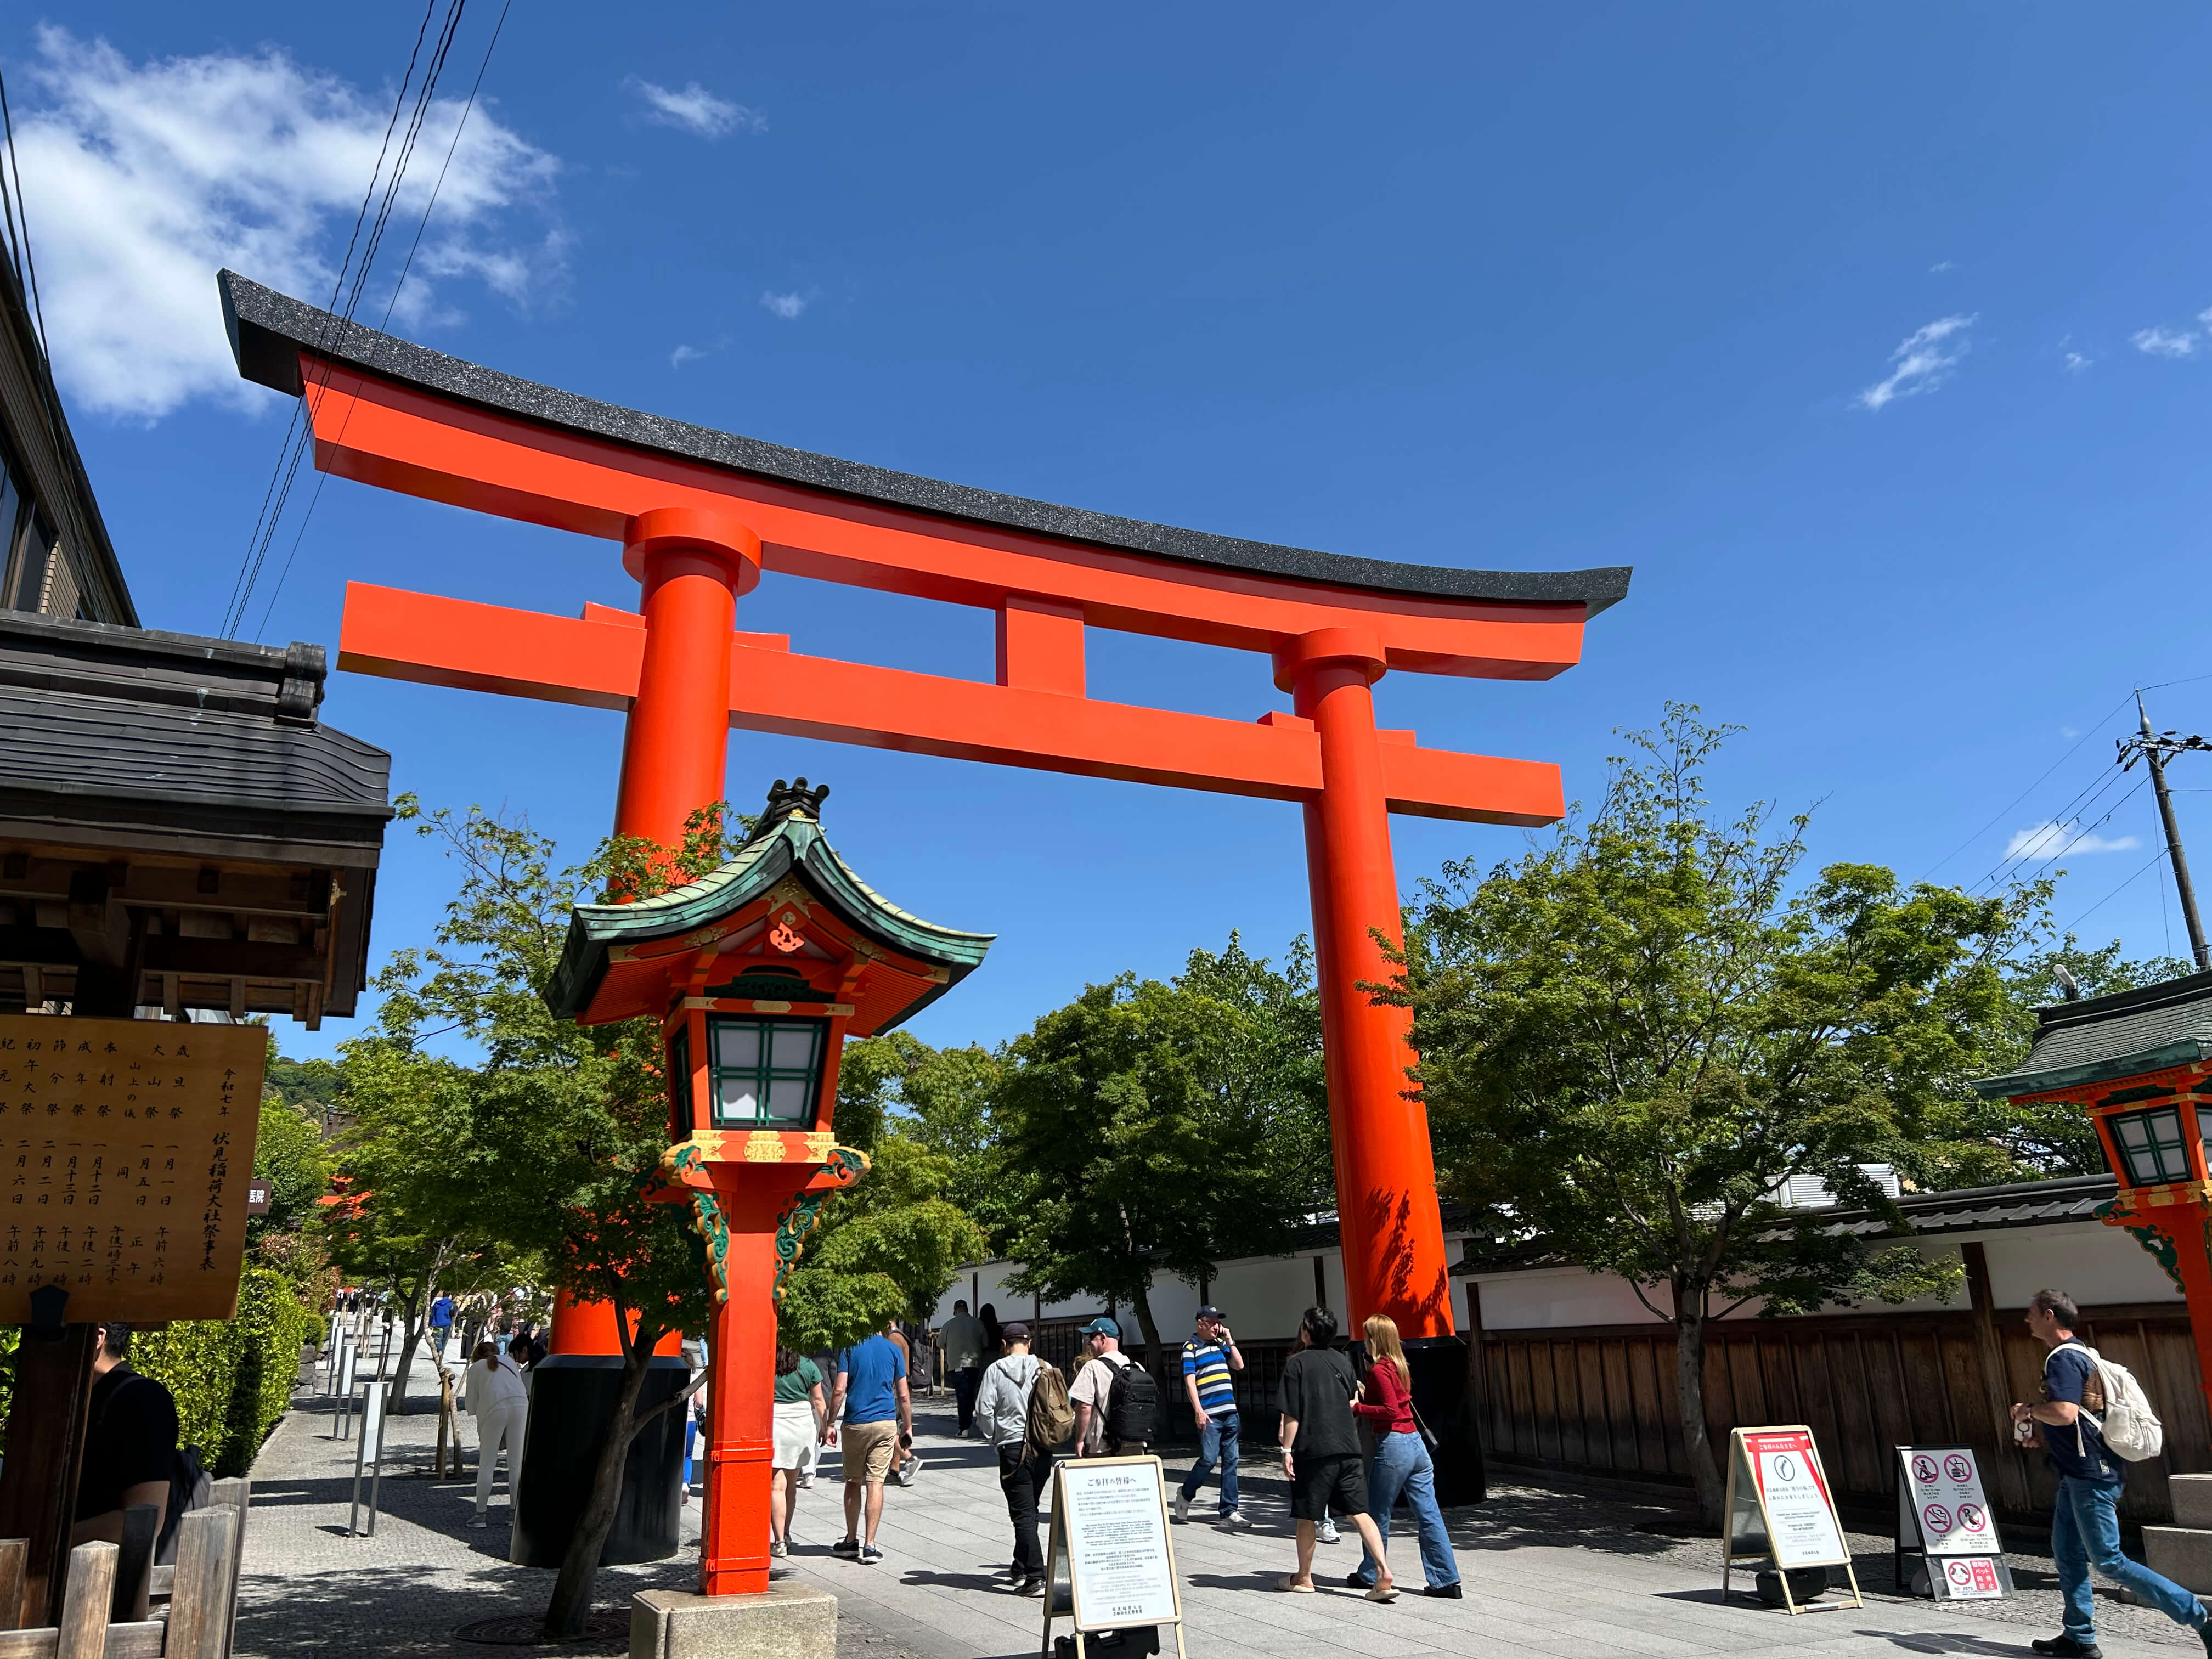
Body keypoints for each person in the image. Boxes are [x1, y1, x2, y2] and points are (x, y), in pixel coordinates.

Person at [2013, 1289, 2209, 1657]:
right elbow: (2081, 1418)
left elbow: (2066, 1412)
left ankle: (2200, 1617)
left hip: (2091, 1476)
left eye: (2032, 1314)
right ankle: (2079, 1637)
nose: (2028, 1320)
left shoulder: (2063, 1359)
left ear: (2050, 1316)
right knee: (2068, 1552)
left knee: (2109, 1560)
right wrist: (2045, 1434)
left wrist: (2028, 1411)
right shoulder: (2080, 1354)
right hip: (2078, 1472)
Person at [1277, 1306, 1394, 1599]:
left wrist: (1286, 1450)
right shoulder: (1344, 1362)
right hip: (1348, 1446)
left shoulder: (1296, 1364)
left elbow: (1292, 1414)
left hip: (1314, 1450)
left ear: (1305, 1331)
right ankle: (1383, 1573)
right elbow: (1353, 1402)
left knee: (1307, 1516)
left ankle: (1304, 1577)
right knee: (1360, 1513)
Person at [1346, 1314, 1461, 1598]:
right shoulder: (1400, 1367)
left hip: (1394, 1444)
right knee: (1429, 1514)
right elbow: (1397, 1404)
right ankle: (1446, 1580)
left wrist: (1359, 1408)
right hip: (1417, 1447)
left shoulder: (1379, 1371)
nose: (1364, 1341)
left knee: (1376, 1512)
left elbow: (1389, 1412)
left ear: (1374, 1339)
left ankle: (1371, 1573)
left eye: (1366, 1336)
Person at [71, 1323, 179, 1554]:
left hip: (104, 1574)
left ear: (97, 1338)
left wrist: (47, 1541)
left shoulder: (143, 1399)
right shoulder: (73, 1397)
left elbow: (144, 1517)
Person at [977, 1321, 1052, 1595]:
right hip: (1043, 1447)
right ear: (1029, 1343)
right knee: (1029, 1508)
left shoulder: (995, 1371)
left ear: (1005, 1345)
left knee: (1022, 1514)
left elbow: (984, 1410)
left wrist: (994, 1437)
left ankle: (1036, 1576)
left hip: (1012, 1447)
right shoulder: (1045, 1368)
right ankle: (1020, 1566)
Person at [827, 1319, 911, 1564]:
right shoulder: (894, 1349)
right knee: (876, 1482)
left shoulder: (849, 1348)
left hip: (856, 1421)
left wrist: (830, 1423)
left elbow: (839, 1390)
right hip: (885, 1422)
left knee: (853, 1481)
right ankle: (870, 1545)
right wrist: (908, 1426)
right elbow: (904, 1394)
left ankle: (851, 1541)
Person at [1175, 1304, 1248, 1528]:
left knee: (1232, 1460)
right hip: (1209, 1414)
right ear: (1201, 1324)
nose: (1217, 1327)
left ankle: (1229, 1510)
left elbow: (1239, 1365)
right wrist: (1198, 1410)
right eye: (1212, 1322)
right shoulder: (1190, 1347)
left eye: (1218, 1322)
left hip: (1229, 1411)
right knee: (1208, 1459)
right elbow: (1190, 1380)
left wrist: (1230, 1341)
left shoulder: (1220, 1345)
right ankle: (1186, 1494)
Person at [466, 1338, 531, 1528]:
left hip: (493, 1410)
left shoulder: (476, 1369)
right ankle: (514, 1514)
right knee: (516, 1464)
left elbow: (471, 1405)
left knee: (487, 1464)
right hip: (520, 1406)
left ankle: (480, 1515)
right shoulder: (510, 1362)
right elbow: (521, 1387)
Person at [770, 1346, 828, 1556]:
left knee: (777, 1485)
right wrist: (825, 1426)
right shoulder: (808, 1365)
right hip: (801, 1424)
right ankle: (786, 1533)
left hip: (775, 1422)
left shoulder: (769, 1363)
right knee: (791, 1485)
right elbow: (819, 1400)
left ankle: (778, 1542)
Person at [1069, 1316, 1147, 1456]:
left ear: (1103, 1338)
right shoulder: (1137, 1367)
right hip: (1135, 1443)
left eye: (1091, 1339)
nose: (1089, 1344)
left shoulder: (1093, 1367)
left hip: (1101, 1445)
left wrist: (1080, 1440)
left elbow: (1085, 1407)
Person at [940, 1299, 988, 1436]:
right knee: (972, 1393)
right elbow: (986, 1343)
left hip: (957, 1365)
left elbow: (940, 1343)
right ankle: (974, 1421)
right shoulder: (978, 1323)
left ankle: (964, 1427)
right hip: (974, 1364)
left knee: (962, 1396)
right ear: (967, 1310)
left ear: (955, 1311)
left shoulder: (948, 1325)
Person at [428, 1291, 455, 1362]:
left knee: (438, 1339)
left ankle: (439, 1351)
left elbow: (433, 1314)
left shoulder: (437, 1304)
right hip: (447, 1324)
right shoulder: (451, 1304)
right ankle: (441, 1352)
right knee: (444, 1339)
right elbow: (453, 1314)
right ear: (449, 1296)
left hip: (438, 1324)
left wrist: (431, 1323)